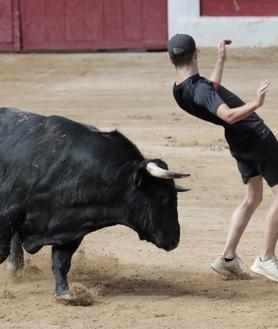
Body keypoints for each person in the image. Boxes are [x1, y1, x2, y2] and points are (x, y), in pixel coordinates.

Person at [168, 34, 278, 282]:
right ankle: (266, 258)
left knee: (253, 197)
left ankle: (227, 259)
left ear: (171, 60)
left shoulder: (181, 89)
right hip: (254, 135)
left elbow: (210, 95)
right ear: (195, 54)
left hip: (239, 141)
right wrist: (256, 103)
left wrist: (220, 61)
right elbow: (227, 114)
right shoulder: (200, 88)